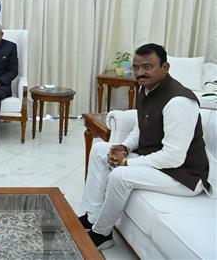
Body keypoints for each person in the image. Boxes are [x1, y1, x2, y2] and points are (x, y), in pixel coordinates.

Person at [79, 44, 209, 250]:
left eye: (147, 67)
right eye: (136, 68)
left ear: (165, 67)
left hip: (183, 175)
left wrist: (125, 163)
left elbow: (173, 157)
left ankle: (102, 234)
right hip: (159, 162)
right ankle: (92, 217)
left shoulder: (179, 102)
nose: (140, 73)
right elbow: (141, 127)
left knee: (120, 175)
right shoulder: (147, 88)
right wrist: (124, 147)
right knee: (99, 150)